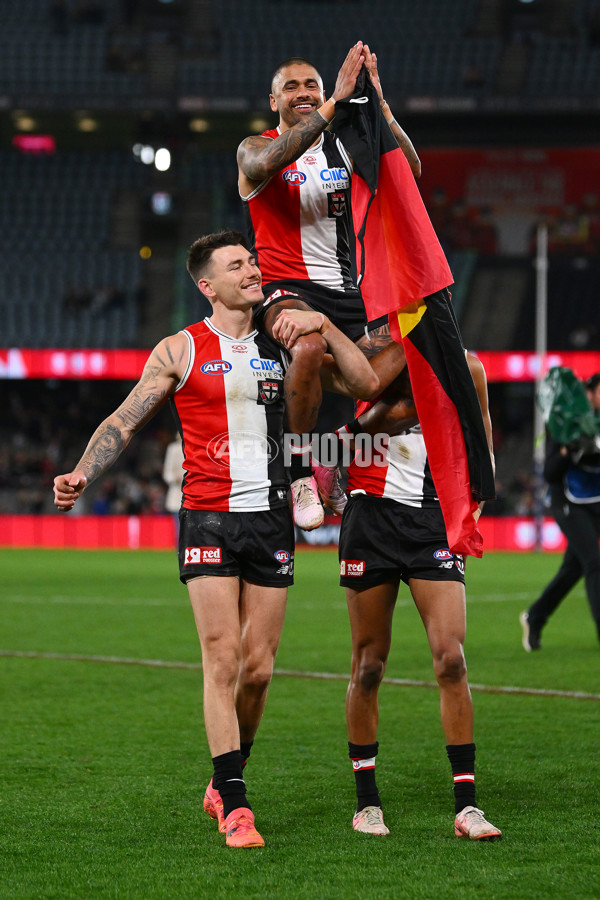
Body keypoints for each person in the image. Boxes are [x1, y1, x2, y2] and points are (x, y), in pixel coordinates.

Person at [53, 230, 381, 849]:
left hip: (273, 516)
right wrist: (81, 472)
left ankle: (223, 777)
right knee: (222, 656)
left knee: (257, 672)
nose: (253, 270)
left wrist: (323, 326)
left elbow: (364, 382)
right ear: (208, 285)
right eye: (238, 266)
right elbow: (124, 419)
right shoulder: (180, 350)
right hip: (208, 515)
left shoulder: (284, 343)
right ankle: (235, 805)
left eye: (253, 261)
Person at [237, 41, 420, 530]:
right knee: (308, 345)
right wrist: (333, 103)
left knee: (422, 363)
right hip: (285, 290)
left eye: (311, 84)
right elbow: (261, 167)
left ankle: (334, 449)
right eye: (291, 86)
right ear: (272, 99)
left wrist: (378, 105)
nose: (303, 92)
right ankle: (298, 473)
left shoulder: (344, 146)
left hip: (350, 296)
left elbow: (410, 174)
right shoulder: (254, 147)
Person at [339, 353, 502, 840]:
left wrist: (474, 495)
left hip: (433, 518)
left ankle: (467, 807)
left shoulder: (466, 366)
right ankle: (367, 803)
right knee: (368, 664)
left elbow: (482, 434)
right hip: (370, 516)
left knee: (451, 658)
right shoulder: (365, 358)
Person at [520, 372, 600, 651]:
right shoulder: (564, 420)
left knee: (573, 568)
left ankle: (535, 616)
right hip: (568, 502)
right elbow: (551, 471)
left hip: (595, 501)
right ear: (588, 393)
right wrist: (570, 448)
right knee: (594, 562)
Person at [162, 433, 185, 542]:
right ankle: (180, 548)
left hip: (194, 493)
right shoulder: (173, 449)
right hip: (177, 493)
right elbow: (167, 473)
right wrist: (175, 478)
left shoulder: (196, 448)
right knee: (178, 525)